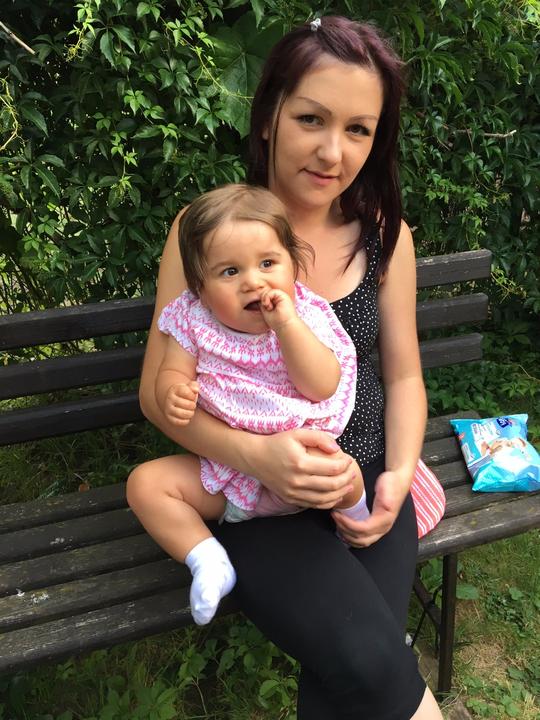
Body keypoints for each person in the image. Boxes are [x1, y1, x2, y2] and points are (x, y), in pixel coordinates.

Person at [127, 15, 445, 719]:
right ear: (269, 114)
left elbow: (403, 377)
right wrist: (256, 457)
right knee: (366, 659)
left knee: (354, 667)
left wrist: (397, 476)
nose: (334, 152)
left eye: (358, 129)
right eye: (311, 119)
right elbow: (156, 393)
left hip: (361, 484)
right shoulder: (208, 233)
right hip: (251, 495)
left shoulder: (385, 238)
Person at [129, 183, 369, 626]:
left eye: (267, 264)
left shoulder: (304, 315)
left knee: (347, 476)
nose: (253, 282)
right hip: (229, 475)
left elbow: (321, 385)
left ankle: (355, 526)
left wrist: (288, 327)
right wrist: (173, 392)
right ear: (200, 289)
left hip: (304, 463)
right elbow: (171, 372)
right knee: (145, 484)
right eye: (229, 271)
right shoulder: (194, 320)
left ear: (293, 264)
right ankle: (208, 560)